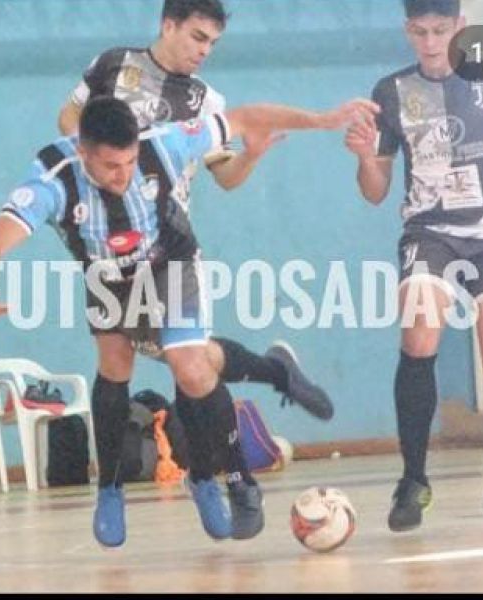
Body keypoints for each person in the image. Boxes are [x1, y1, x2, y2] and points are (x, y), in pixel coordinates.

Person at [0, 95, 378, 548]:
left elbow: (243, 118)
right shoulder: (51, 178)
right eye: (109, 166)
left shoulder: (163, 144)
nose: (122, 176)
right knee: (115, 362)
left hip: (171, 261)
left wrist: (321, 119)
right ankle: (110, 489)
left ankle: (232, 480)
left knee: (190, 365)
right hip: (107, 276)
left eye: (127, 162)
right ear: (82, 149)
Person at [345, 0, 483, 532]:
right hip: (430, 231)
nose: (429, 42)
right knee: (419, 339)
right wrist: (363, 158)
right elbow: (375, 193)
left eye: (440, 31)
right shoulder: (390, 93)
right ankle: (413, 478)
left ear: (460, 29)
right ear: (407, 31)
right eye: (419, 32)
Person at [58, 0, 334, 422]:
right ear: (169, 25)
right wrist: (99, 158)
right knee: (143, 353)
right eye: (198, 37)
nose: (204, 51)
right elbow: (68, 116)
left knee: (180, 358)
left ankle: (222, 469)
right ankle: (274, 370)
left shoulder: (206, 101)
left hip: (166, 246)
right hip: (106, 240)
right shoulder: (113, 65)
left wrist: (251, 156)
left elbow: (225, 176)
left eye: (212, 43)